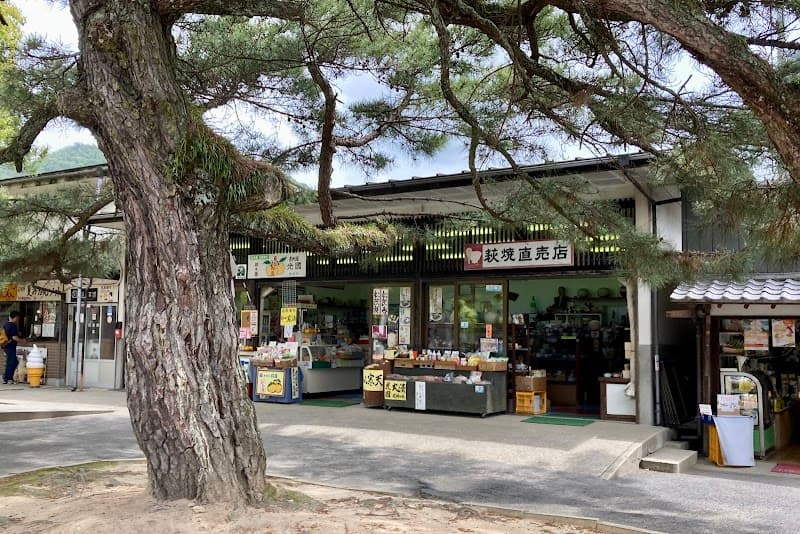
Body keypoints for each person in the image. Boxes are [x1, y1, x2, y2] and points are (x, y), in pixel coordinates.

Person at [3, 311, 27, 384]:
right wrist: (22, 340)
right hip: (10, 347)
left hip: (6, 346)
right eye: (18, 318)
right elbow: (14, 337)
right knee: (12, 362)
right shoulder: (13, 325)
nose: (18, 320)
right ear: (16, 317)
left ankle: (6, 378)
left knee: (12, 362)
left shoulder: (6, 324)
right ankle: (8, 379)